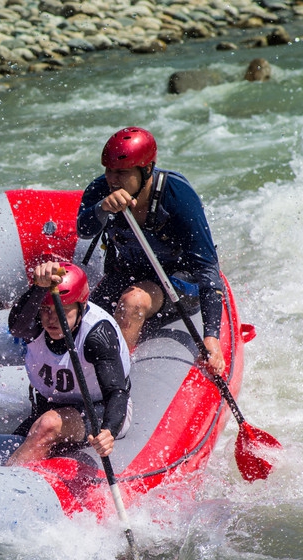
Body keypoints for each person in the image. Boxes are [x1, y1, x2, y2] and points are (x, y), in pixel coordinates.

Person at [77, 126, 226, 375]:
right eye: (109, 170)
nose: (112, 179)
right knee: (79, 317)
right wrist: (101, 209)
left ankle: (114, 382)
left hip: (177, 281)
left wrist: (211, 336)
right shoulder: (101, 190)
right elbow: (83, 229)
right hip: (127, 272)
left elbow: (206, 267)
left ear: (146, 170)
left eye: (122, 173)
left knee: (132, 302)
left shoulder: (178, 196)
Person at [5, 262, 131, 467]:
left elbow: (116, 392)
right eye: (46, 309)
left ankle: (5, 487)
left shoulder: (97, 335)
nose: (51, 319)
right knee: (13, 443)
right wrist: (38, 287)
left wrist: (109, 431)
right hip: (51, 406)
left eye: (62, 311)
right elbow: (16, 328)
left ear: (81, 307)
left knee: (48, 424)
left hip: (99, 410)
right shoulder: (36, 326)